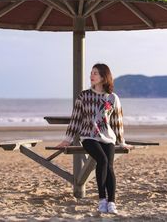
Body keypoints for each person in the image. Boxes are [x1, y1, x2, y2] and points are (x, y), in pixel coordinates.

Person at [56, 63, 133, 214]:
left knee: (109, 166)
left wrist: (121, 142)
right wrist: (67, 139)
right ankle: (102, 200)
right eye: (91, 73)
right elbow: (76, 119)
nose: (91, 76)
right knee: (102, 161)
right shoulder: (84, 96)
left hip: (107, 137)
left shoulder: (112, 98)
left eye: (95, 73)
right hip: (88, 137)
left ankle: (111, 203)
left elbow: (117, 122)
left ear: (104, 76)